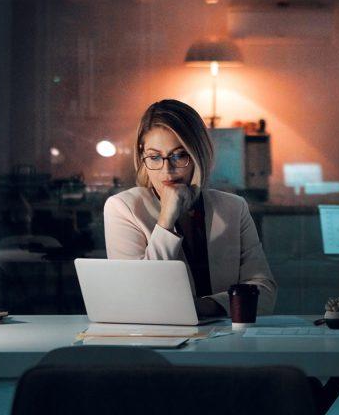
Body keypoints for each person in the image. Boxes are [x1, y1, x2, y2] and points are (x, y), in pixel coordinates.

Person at [104, 99, 276, 317]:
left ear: (198, 155)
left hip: (227, 337)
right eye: (155, 157)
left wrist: (202, 307)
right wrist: (166, 219)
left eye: (179, 155)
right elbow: (138, 296)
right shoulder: (123, 208)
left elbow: (265, 292)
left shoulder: (233, 207)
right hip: (154, 337)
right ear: (142, 155)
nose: (167, 170)